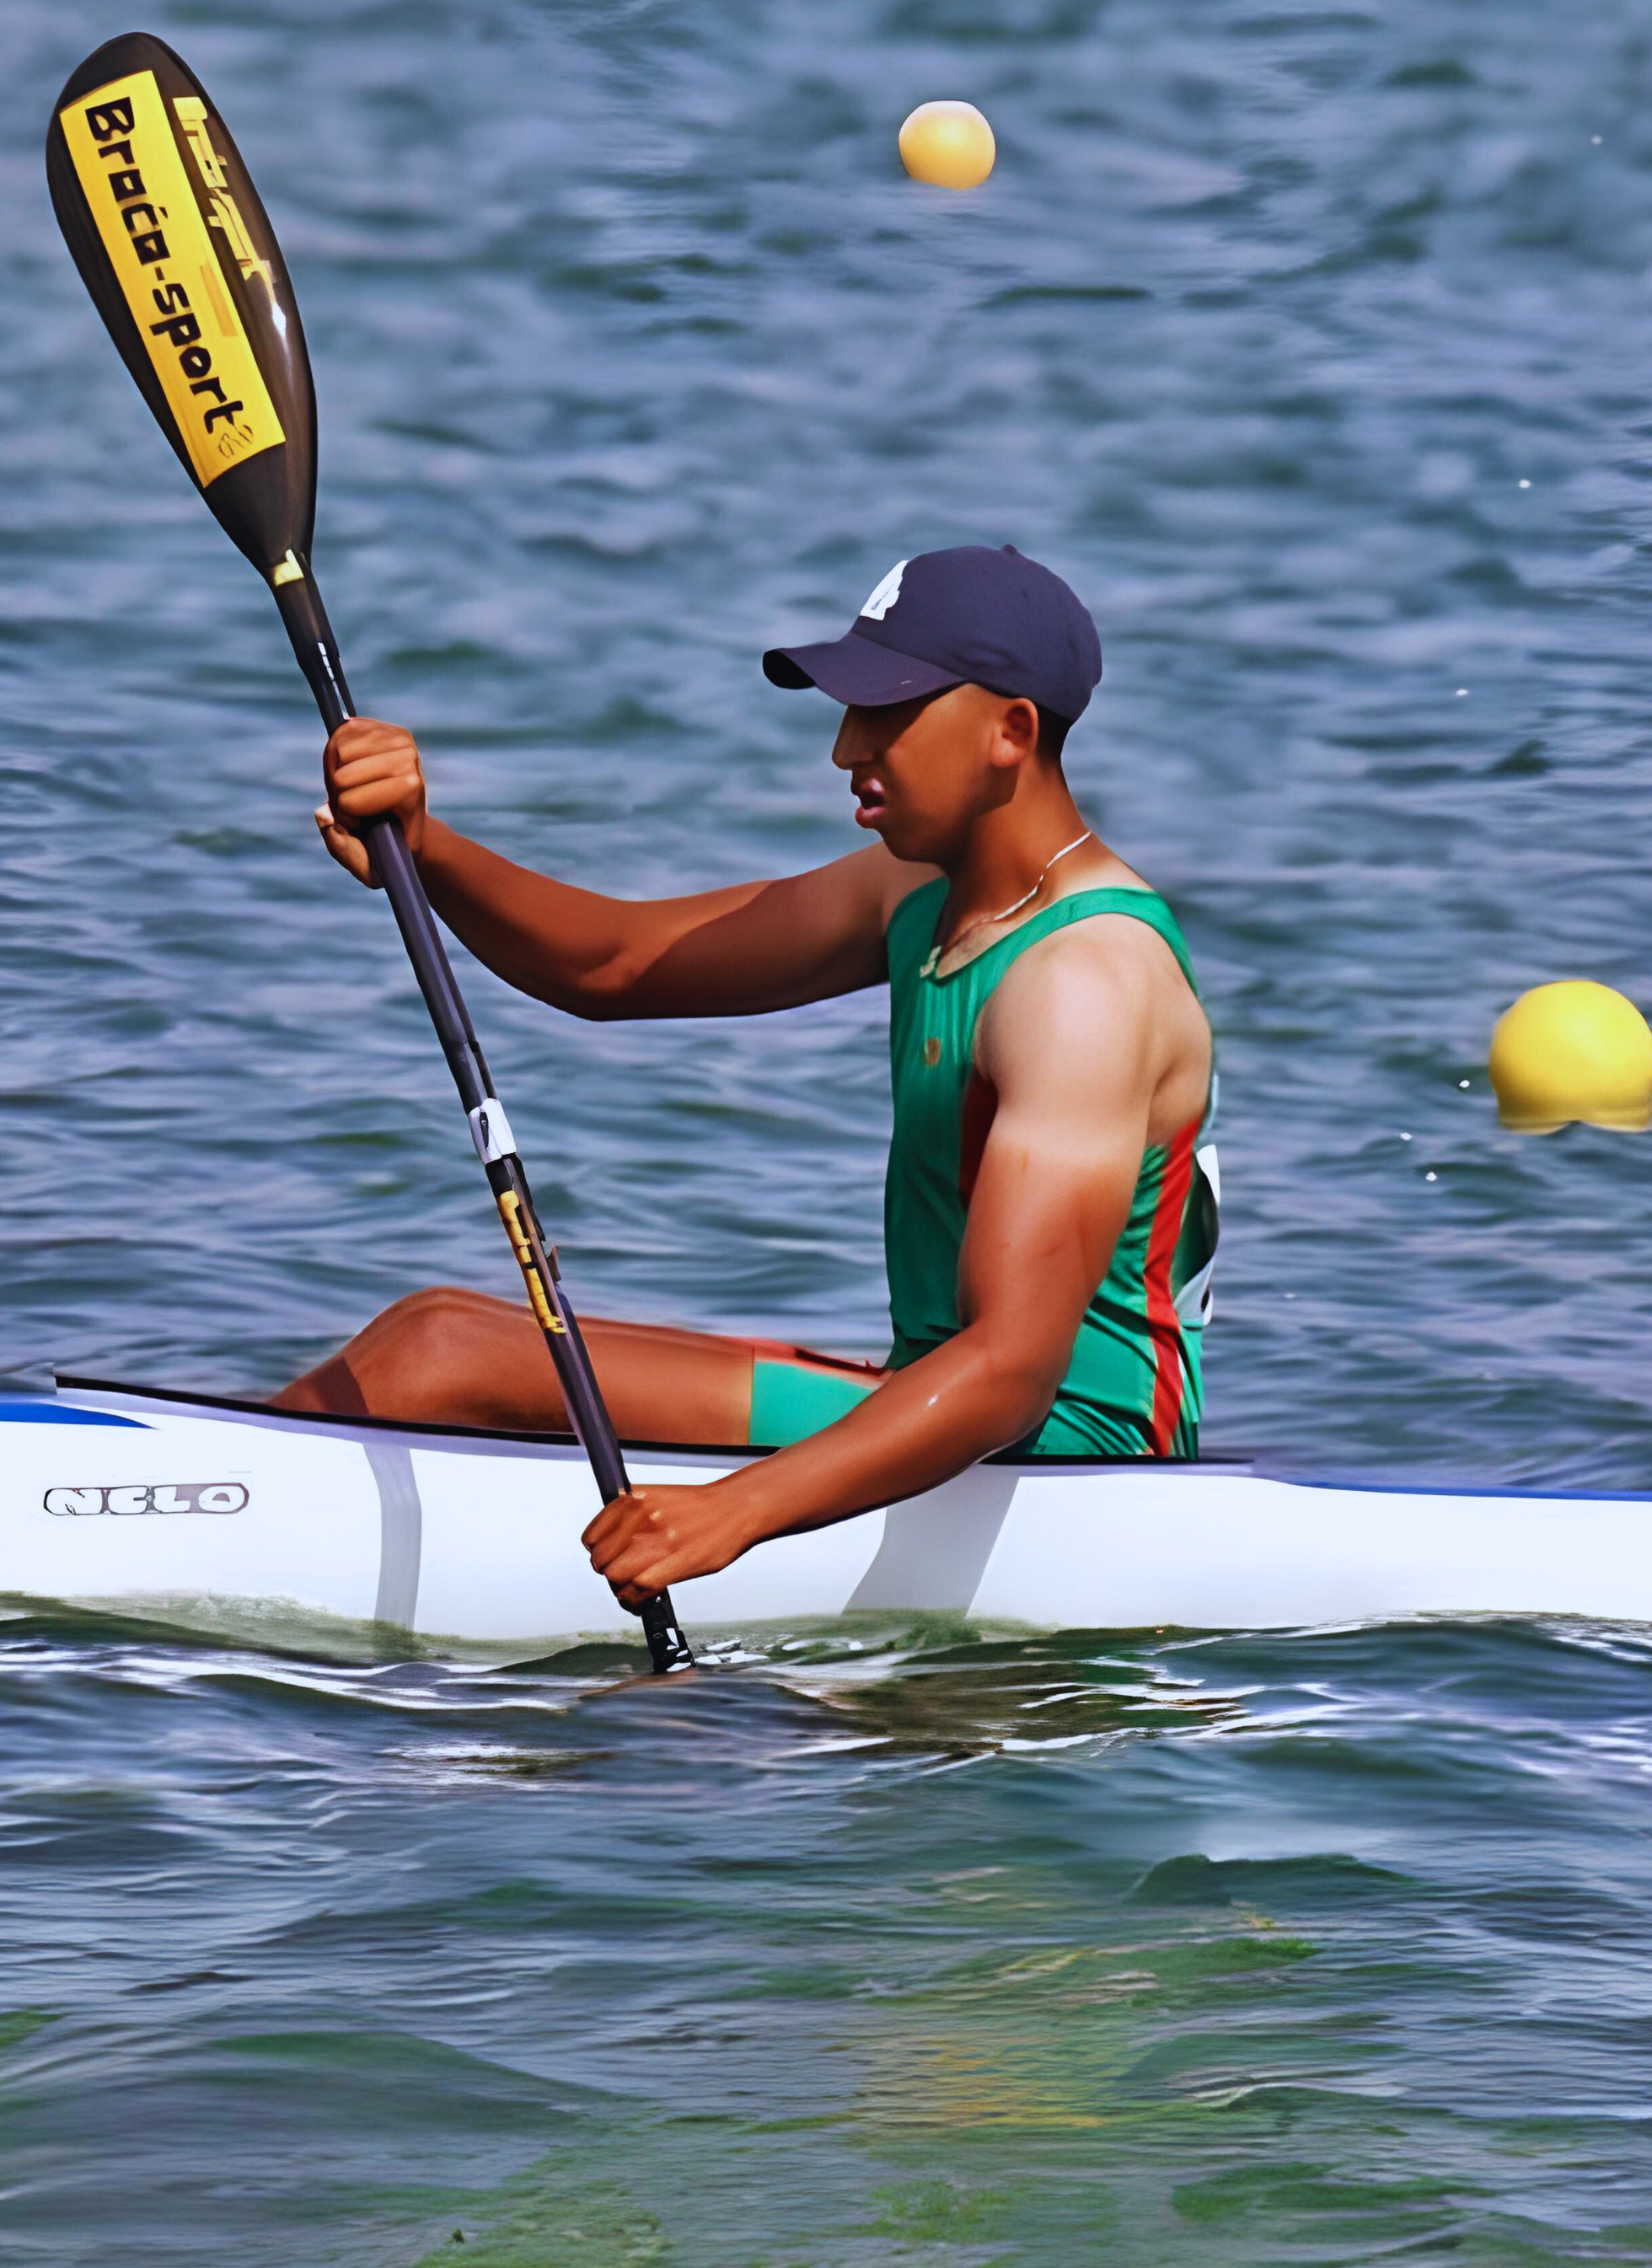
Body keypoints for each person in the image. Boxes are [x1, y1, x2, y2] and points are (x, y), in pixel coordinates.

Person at [271, 545, 1218, 1611]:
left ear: (1011, 734)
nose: (845, 748)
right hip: (943, 1399)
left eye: (888, 713)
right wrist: (425, 848)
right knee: (432, 1335)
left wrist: (734, 1512)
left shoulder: (1082, 982)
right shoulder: (919, 893)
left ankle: (194, 1514)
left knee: (440, 1358)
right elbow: (614, 966)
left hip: (1062, 1455)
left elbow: (1008, 1371)